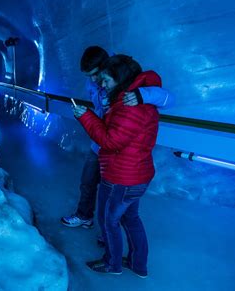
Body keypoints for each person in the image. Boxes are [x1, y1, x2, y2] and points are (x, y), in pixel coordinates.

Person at [61, 46, 173, 232]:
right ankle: (85, 216)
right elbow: (102, 113)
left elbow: (169, 99)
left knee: (114, 198)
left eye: (96, 75)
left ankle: (110, 234)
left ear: (106, 68)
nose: (93, 81)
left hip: (117, 151)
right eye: (88, 76)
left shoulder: (125, 79)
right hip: (100, 142)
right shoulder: (97, 82)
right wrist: (88, 115)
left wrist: (142, 95)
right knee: (88, 182)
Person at [73, 55, 161, 277]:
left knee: (108, 220)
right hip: (134, 174)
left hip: (122, 177)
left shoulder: (129, 106)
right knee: (130, 218)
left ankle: (112, 264)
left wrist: (86, 118)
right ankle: (137, 263)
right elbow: (117, 133)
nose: (102, 85)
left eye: (106, 81)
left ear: (119, 80)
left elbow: (111, 141)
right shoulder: (131, 100)